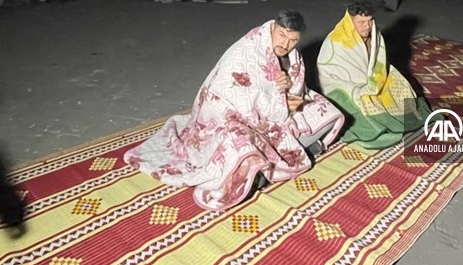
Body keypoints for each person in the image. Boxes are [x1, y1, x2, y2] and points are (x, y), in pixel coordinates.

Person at [123, 11, 345, 211]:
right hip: (227, 115)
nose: (286, 44)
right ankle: (259, 170)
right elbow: (241, 98)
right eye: (281, 36)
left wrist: (290, 93)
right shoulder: (247, 51)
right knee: (240, 145)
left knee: (326, 111)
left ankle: (268, 166)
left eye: (293, 40)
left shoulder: (292, 54)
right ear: (272, 29)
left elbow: (296, 86)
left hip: (276, 109)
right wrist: (283, 101)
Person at [317, 3, 429, 149]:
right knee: (357, 99)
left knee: (398, 83)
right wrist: (364, 86)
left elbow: (379, 62)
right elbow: (331, 73)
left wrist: (376, 81)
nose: (367, 26)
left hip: (370, 78)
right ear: (350, 22)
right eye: (361, 22)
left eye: (370, 20)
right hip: (340, 84)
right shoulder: (336, 41)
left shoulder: (374, 34)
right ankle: (374, 132)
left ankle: (400, 120)